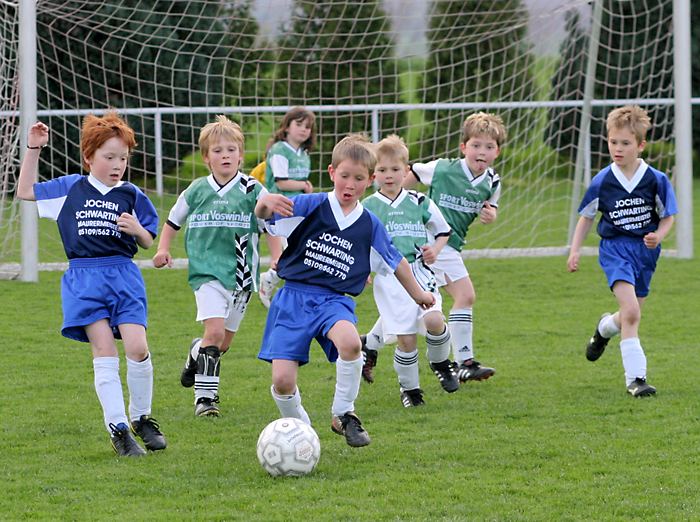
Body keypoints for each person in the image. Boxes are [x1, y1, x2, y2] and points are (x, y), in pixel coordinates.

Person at [255, 134, 435, 447]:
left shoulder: (370, 223)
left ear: (371, 180)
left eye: (359, 178)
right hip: (293, 298)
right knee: (282, 381)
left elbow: (396, 261)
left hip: (334, 300)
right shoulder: (311, 205)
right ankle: (301, 428)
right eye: (345, 176)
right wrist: (262, 204)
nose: (350, 184)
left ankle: (344, 414)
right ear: (331, 172)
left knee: (351, 343)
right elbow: (267, 215)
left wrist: (418, 294)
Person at [16, 114, 166, 457]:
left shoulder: (132, 194)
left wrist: (138, 231)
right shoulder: (71, 188)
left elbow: (147, 240)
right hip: (84, 278)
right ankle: (119, 429)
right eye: (109, 157)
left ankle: (142, 417)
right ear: (89, 157)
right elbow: (24, 191)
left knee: (138, 347)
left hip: (124, 276)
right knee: (104, 350)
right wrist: (34, 149)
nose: (117, 165)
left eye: (123, 158)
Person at [362, 112, 505, 384]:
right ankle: (464, 361)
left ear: (497, 152)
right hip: (429, 245)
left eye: (488, 147)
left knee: (413, 303)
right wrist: (394, 202)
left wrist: (491, 215)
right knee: (465, 295)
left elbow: (492, 208)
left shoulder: (492, 181)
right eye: (476, 145)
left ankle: (369, 343)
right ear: (464, 147)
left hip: (449, 244)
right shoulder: (443, 167)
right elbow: (413, 172)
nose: (481, 152)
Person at [153, 115, 279, 416]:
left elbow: (270, 225)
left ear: (241, 154)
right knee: (213, 333)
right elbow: (173, 221)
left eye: (232, 149)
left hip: (241, 276)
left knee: (220, 344)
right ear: (206, 157)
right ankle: (205, 399)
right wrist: (163, 249)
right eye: (219, 150)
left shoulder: (252, 189)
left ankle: (195, 354)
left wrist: (278, 257)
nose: (226, 155)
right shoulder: (196, 190)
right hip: (207, 274)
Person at [567, 105, 677, 397]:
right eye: (613, 142)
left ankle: (604, 329)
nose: (617, 148)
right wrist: (574, 250)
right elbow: (587, 217)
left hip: (645, 252)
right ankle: (636, 379)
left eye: (625, 143)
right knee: (631, 312)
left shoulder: (656, 179)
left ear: (640, 145)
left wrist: (659, 235)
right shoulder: (603, 180)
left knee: (630, 313)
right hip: (615, 249)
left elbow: (669, 216)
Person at [362, 135, 458, 406]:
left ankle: (441, 364)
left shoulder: (418, 201)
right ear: (373, 174)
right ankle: (411, 390)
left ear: (406, 170)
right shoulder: (368, 207)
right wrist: (363, 269)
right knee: (405, 340)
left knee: (434, 321)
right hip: (389, 279)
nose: (389, 175)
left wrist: (435, 251)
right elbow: (361, 243)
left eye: (395, 169)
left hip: (420, 271)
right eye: (382, 170)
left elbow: (442, 232)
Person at [258, 107, 317, 308]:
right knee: (293, 253)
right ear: (287, 126)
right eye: (298, 124)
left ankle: (272, 280)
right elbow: (281, 183)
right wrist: (303, 185)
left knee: (303, 252)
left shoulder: (303, 153)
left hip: (298, 210)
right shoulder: (279, 150)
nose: (303, 130)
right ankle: (269, 281)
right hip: (280, 212)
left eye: (307, 127)